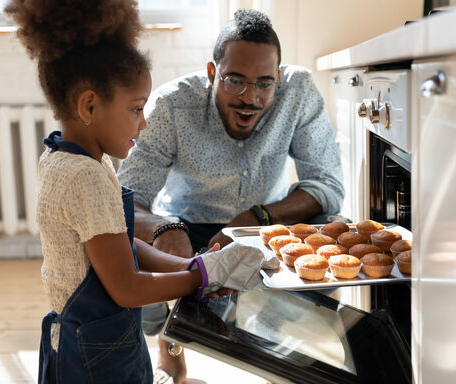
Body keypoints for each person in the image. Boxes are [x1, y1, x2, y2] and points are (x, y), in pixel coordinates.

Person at [4, 1, 266, 383]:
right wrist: (204, 277)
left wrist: (190, 266)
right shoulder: (86, 178)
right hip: (96, 356)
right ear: (90, 105)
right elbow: (126, 287)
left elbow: (119, 244)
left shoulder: (69, 157)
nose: (143, 125)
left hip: (96, 338)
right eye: (136, 109)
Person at [117, 8, 345, 384]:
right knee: (121, 247)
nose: (249, 98)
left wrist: (255, 218)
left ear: (280, 78)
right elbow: (128, 197)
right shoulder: (170, 106)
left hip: (266, 226)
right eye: (235, 80)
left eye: (264, 84)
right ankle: (169, 345)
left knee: (334, 227)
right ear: (212, 74)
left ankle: (280, 348)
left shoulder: (299, 92)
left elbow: (327, 186)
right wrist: (164, 227)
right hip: (185, 229)